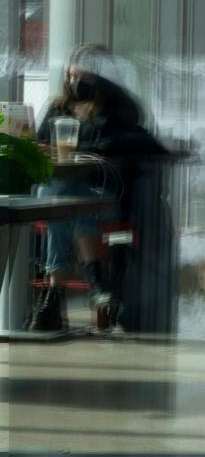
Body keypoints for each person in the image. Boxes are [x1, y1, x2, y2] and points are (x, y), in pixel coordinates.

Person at [36, 45, 173, 332]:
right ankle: (96, 280)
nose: (77, 83)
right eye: (73, 75)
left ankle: (53, 297)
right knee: (64, 196)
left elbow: (122, 152)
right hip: (65, 194)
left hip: (104, 195)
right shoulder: (57, 107)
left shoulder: (119, 110)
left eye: (86, 77)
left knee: (63, 201)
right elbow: (39, 145)